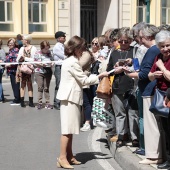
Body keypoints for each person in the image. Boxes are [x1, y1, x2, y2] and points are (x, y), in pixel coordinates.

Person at [56, 35, 109, 169]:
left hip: (71, 97)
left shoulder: (71, 60)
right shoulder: (73, 62)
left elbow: (81, 77)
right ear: (76, 48)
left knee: (71, 129)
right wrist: (99, 76)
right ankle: (62, 157)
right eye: (82, 47)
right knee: (67, 130)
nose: (84, 50)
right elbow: (83, 80)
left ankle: (69, 156)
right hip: (70, 98)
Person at [107, 27, 139, 147]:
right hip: (117, 85)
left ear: (131, 40)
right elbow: (108, 70)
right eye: (121, 41)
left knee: (133, 112)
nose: (124, 43)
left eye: (126, 41)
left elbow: (140, 66)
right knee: (120, 113)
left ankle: (134, 137)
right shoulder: (114, 52)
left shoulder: (135, 50)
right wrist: (115, 68)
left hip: (132, 85)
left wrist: (132, 62)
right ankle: (121, 135)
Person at [136, 24, 163, 165]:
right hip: (150, 89)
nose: (140, 40)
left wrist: (133, 74)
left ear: (148, 36)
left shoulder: (152, 50)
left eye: (141, 37)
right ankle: (154, 154)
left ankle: (154, 155)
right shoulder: (154, 49)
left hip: (149, 90)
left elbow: (145, 73)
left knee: (151, 124)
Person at [148, 30, 170, 168]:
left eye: (168, 45)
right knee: (166, 130)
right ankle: (168, 159)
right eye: (162, 46)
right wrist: (154, 75)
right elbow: (149, 75)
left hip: (169, 96)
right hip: (161, 95)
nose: (165, 49)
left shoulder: (162, 61)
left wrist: (162, 67)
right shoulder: (158, 57)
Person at [16, 34, 37, 108]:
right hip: (22, 69)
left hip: (29, 69)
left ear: (26, 40)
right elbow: (17, 58)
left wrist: (25, 58)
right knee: (22, 84)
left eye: (23, 39)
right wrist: (20, 59)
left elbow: (35, 59)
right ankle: (22, 102)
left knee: (29, 84)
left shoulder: (33, 48)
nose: (22, 41)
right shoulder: (22, 48)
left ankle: (31, 102)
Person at [34, 40, 54, 109]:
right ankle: (39, 103)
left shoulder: (50, 53)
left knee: (46, 88)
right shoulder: (37, 53)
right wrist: (42, 64)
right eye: (45, 48)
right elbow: (35, 62)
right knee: (40, 87)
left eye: (48, 48)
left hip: (48, 71)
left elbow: (52, 60)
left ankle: (47, 103)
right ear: (42, 48)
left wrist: (52, 63)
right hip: (39, 71)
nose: (47, 50)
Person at [53, 31, 66, 110]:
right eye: (63, 36)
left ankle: (60, 101)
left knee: (62, 84)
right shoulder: (57, 46)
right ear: (58, 38)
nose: (64, 37)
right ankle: (56, 102)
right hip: (59, 67)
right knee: (59, 85)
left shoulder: (63, 45)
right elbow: (64, 56)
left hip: (63, 66)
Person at [5, 38, 21, 105]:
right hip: (11, 70)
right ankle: (17, 98)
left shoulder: (16, 50)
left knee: (15, 85)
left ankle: (17, 100)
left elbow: (16, 61)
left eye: (12, 43)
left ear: (15, 44)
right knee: (14, 85)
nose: (10, 44)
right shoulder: (10, 50)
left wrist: (9, 64)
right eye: (9, 43)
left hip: (15, 70)